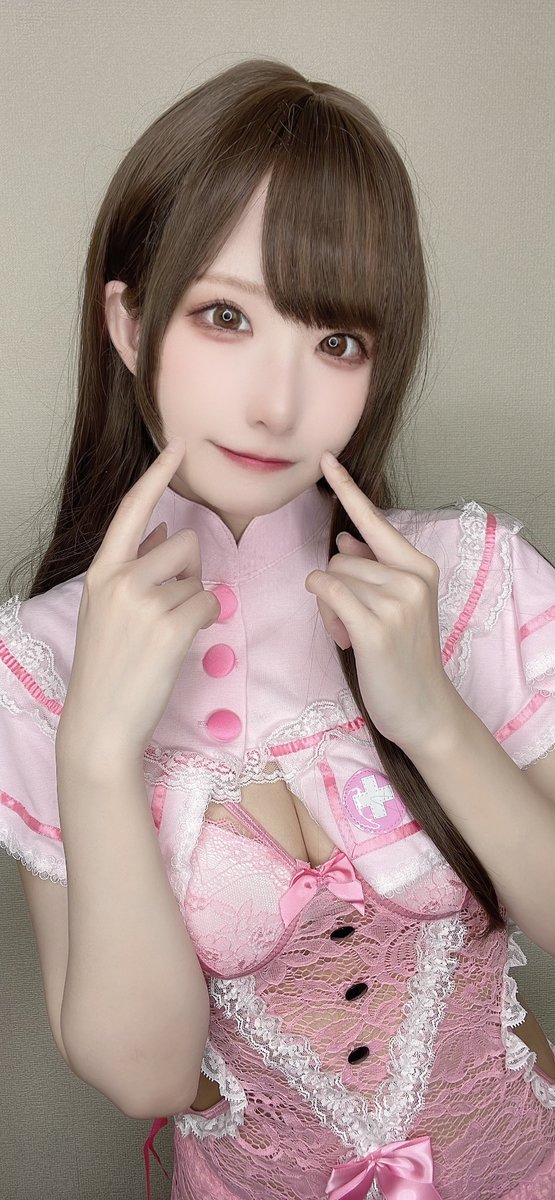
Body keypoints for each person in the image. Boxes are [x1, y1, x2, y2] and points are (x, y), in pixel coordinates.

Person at [1, 57, 555, 1200]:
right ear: (128, 321)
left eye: (336, 341)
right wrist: (97, 751)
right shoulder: (39, 664)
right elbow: (150, 1077)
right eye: (225, 317)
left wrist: (433, 718)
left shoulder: (471, 580)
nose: (277, 403)